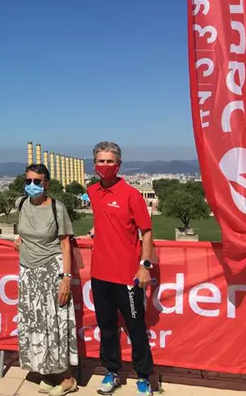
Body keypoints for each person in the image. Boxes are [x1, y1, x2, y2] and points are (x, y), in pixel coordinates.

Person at [85, 141, 155, 396]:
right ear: (95, 165)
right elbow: (104, 222)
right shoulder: (92, 191)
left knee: (136, 330)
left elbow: (146, 232)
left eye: (109, 161)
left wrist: (144, 266)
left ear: (119, 164)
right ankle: (112, 372)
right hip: (99, 275)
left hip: (128, 276)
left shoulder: (131, 194)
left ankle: (144, 376)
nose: (105, 166)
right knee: (107, 329)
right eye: (101, 161)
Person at [14, 164, 78, 396]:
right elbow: (24, 228)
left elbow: (65, 245)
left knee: (55, 325)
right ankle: (46, 371)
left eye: (38, 181)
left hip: (52, 271)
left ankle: (67, 377)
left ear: (46, 183)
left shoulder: (57, 208)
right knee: (35, 324)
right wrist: (20, 237)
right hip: (27, 272)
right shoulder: (21, 203)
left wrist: (66, 279)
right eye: (29, 180)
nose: (32, 185)